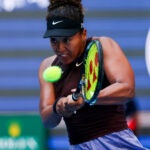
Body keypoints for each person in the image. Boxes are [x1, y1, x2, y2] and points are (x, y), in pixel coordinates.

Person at [39, 0, 148, 149]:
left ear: (83, 34)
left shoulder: (103, 46)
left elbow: (127, 89)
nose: (60, 48)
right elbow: (47, 119)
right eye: (54, 40)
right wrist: (59, 107)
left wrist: (86, 98)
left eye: (67, 39)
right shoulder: (47, 66)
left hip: (115, 143)